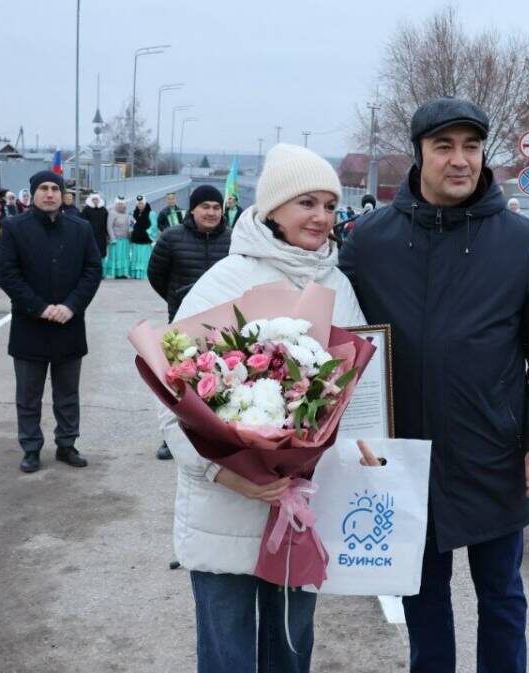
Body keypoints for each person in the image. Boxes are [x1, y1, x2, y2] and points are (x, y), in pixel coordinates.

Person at [339, 97, 529, 673]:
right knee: (423, 599)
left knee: (502, 598)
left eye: (471, 146)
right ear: (418, 154)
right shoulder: (370, 241)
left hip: (493, 453)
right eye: (443, 146)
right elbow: (337, 342)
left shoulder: (518, 242)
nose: (460, 159)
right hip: (407, 458)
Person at [164, 144, 364, 672]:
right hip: (226, 505)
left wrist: (353, 448)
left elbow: (356, 389)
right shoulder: (226, 280)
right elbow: (173, 396)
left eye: (329, 205)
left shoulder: (338, 285)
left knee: (291, 652)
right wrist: (223, 473)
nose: (321, 217)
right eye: (306, 203)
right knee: (227, 656)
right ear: (273, 208)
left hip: (298, 506)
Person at [0, 170, 102, 474]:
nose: (50, 193)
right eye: (43, 188)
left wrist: (72, 306)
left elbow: (92, 270)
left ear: (62, 194)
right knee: (28, 395)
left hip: (69, 324)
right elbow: (7, 273)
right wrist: (39, 307)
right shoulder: (14, 228)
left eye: (55, 188)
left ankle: (67, 444)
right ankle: (31, 448)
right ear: (33, 194)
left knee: (67, 394)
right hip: (30, 325)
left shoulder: (81, 229)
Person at [146, 184, 233, 461]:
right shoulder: (172, 238)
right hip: (182, 324)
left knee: (222, 379)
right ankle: (172, 439)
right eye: (205, 207)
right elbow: (156, 275)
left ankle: (222, 438)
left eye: (216, 207)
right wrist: (178, 299)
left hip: (224, 325)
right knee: (181, 382)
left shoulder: (233, 240)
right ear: (192, 210)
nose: (211, 212)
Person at [104, 197, 132, 279]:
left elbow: (129, 225)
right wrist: (112, 238)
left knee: (124, 257)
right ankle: (116, 273)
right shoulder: (112, 213)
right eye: (119, 204)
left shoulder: (126, 213)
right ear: (116, 204)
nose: (121, 205)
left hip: (125, 239)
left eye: (122, 204)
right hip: (116, 240)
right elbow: (109, 226)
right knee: (117, 257)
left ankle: (123, 273)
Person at [129, 195, 154, 280]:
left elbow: (154, 226)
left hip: (145, 241)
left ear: (145, 203)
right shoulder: (134, 213)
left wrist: (147, 232)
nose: (140, 205)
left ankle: (144, 274)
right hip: (136, 241)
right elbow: (131, 225)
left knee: (144, 258)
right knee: (136, 258)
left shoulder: (151, 213)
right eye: (139, 204)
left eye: (142, 203)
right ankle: (136, 274)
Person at [82, 193, 109, 262]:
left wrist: (107, 233)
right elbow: (83, 222)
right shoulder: (86, 210)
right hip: (90, 235)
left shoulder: (103, 210)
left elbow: (106, 222)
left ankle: (101, 265)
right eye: (93, 199)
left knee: (101, 252)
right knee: (90, 252)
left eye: (96, 199)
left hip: (101, 235)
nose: (95, 201)